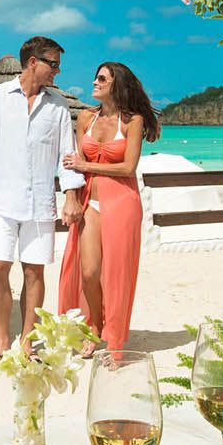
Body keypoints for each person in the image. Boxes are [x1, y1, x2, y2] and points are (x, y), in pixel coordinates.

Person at [0, 37, 84, 370]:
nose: (57, 71)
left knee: (34, 272)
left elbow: (67, 155)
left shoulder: (59, 106)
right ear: (33, 62)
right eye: (54, 64)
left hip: (40, 202)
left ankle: (27, 342)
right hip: (0, 200)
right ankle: (2, 340)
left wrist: (71, 195)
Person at [57, 61, 160, 356]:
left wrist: (85, 164)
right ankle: (95, 326)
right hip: (90, 200)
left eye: (102, 78)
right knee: (88, 272)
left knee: (116, 273)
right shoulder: (85, 117)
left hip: (122, 203)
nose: (95, 82)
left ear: (117, 84)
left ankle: (113, 338)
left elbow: (129, 167)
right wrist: (72, 197)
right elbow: (72, 165)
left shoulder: (133, 121)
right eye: (95, 77)